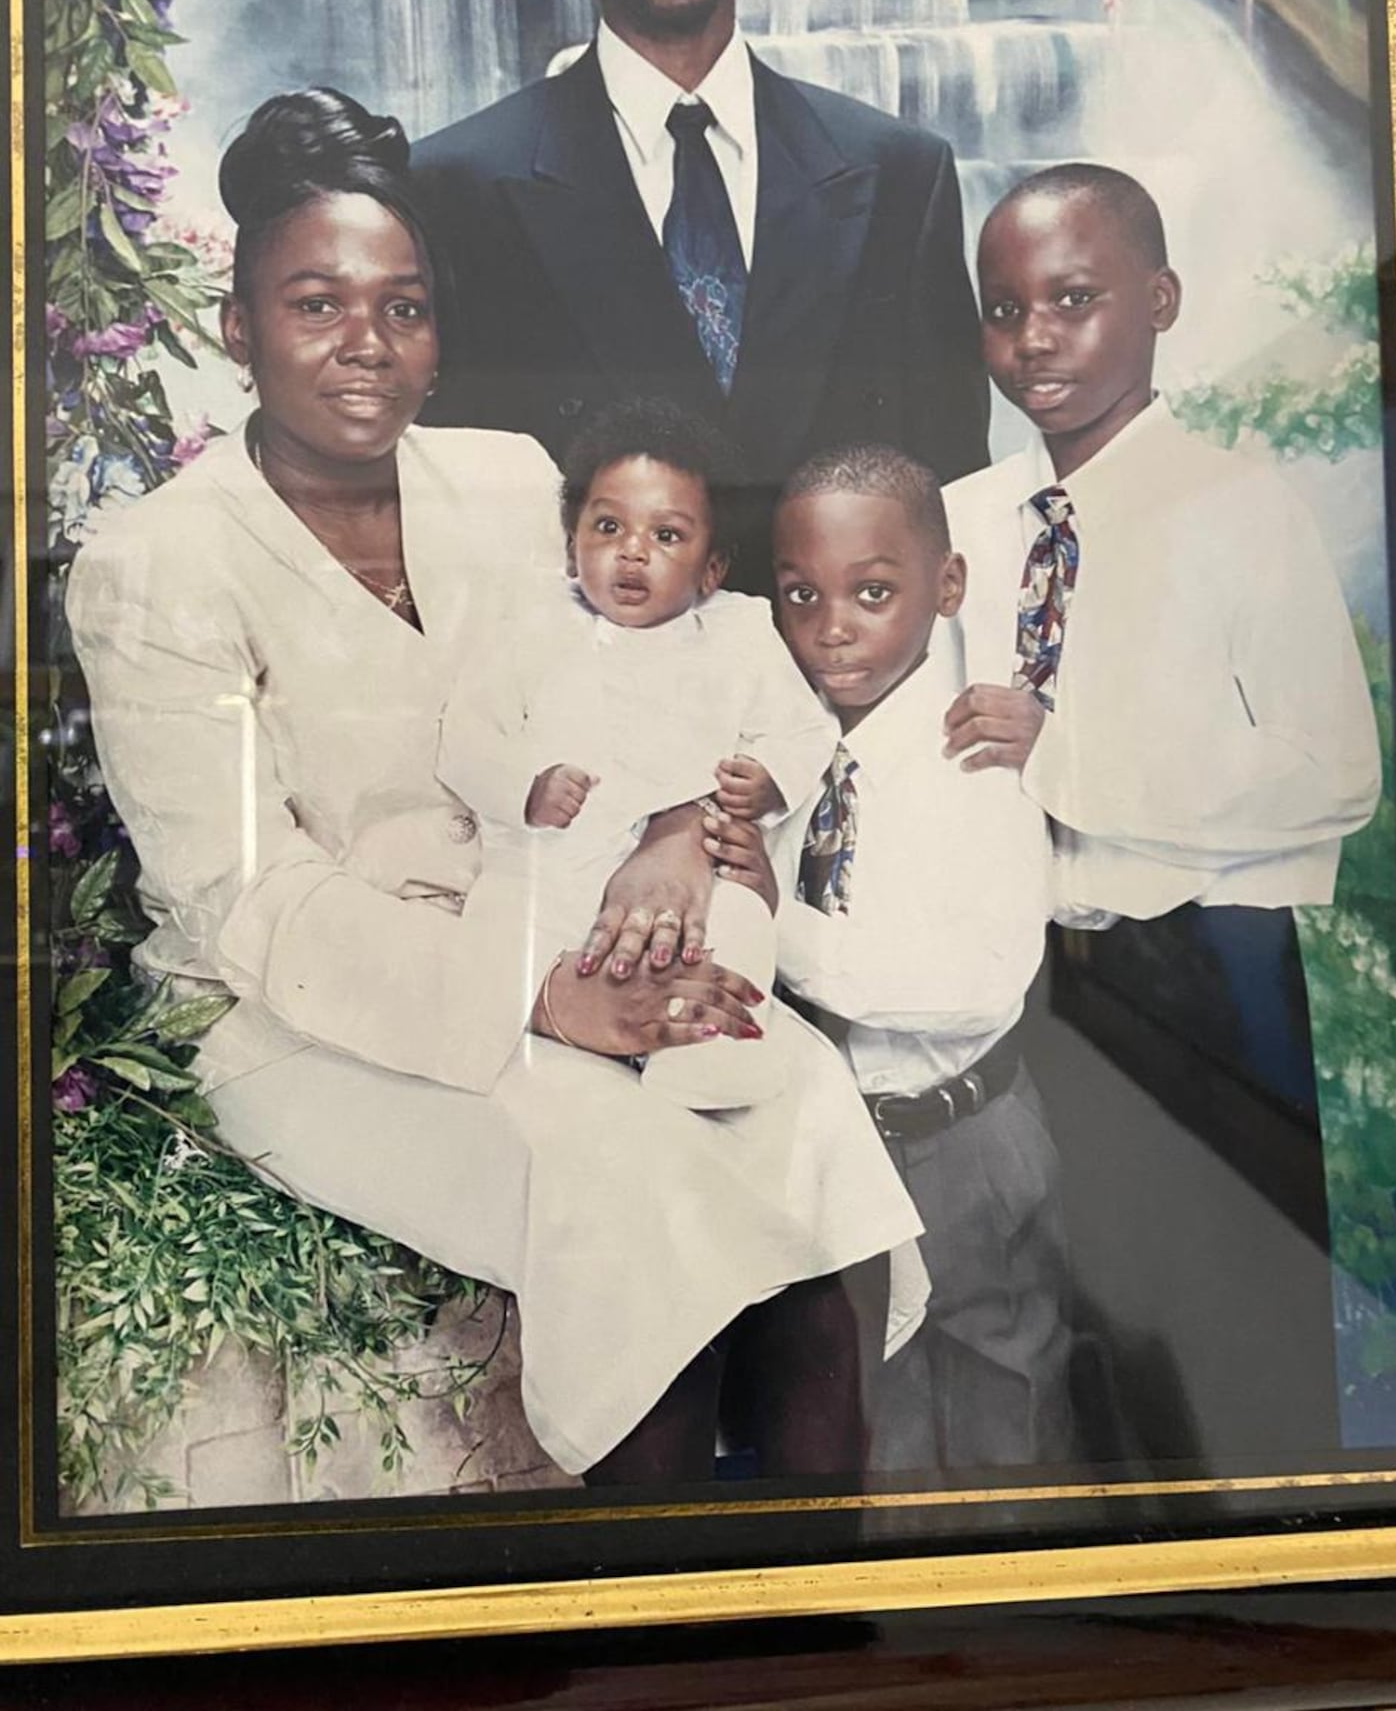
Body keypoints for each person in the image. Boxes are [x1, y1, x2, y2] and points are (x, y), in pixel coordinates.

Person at [65, 88, 925, 1488]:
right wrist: (545, 999)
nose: (367, 344)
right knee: (629, 1184)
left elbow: (646, 678)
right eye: (316, 304)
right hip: (309, 1014)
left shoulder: (503, 483)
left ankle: (806, 1630)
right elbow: (245, 899)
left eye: (403, 307)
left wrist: (674, 842)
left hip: (561, 922)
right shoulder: (157, 565)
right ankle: (641, 1650)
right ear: (236, 328)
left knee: (802, 1113)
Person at [941, 163, 1382, 1467]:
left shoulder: (1237, 509)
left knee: (1234, 1314)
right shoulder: (969, 520)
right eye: (1003, 308)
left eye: (1072, 299)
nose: (1034, 339)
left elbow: (1329, 769)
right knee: (1069, 1321)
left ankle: (1281, 1604)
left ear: (1162, 298)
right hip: (1021, 986)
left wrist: (1065, 755)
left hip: (1205, 970)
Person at [411, 0, 988, 580]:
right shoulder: (457, 189)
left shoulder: (902, 174)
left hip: (841, 692)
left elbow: (952, 495)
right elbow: (447, 517)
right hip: (581, 691)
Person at [710, 444, 1073, 1475]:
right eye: (799, 595)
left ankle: (1018, 1615)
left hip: (961, 1140)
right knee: (880, 1417)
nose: (832, 628)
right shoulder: (789, 747)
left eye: (873, 592)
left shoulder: (975, 759)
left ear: (945, 585)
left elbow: (970, 988)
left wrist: (780, 929)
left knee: (1001, 1405)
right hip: (834, 1144)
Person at [433, 395, 838, 1111]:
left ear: (711, 570)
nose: (632, 550)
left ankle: (708, 1056)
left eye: (668, 535)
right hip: (554, 863)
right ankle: (576, 1030)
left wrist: (768, 780)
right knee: (511, 935)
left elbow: (807, 727)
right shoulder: (532, 627)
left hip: (690, 882)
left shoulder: (738, 636)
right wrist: (527, 786)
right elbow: (465, 738)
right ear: (571, 542)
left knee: (738, 919)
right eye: (608, 525)